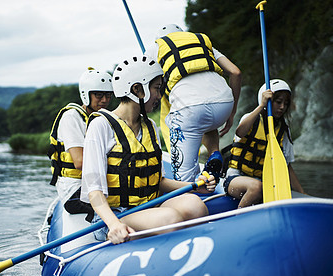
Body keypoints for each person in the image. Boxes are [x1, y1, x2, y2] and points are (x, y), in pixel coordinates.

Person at [81, 55, 216, 244]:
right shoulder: (101, 126)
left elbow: (157, 181)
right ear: (138, 89)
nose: (159, 97)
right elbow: (94, 192)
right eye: (156, 89)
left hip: (149, 205)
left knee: (195, 206)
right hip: (116, 215)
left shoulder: (150, 126)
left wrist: (195, 187)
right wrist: (113, 225)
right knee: (169, 219)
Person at [145, 24, 242, 183]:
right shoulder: (199, 42)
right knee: (206, 122)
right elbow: (236, 72)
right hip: (224, 104)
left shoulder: (156, 47)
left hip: (191, 109)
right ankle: (213, 154)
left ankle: (192, 194)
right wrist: (232, 113)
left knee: (183, 180)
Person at [224, 79, 305, 208]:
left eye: (286, 103)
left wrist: (302, 193)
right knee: (257, 187)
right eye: (278, 102)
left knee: (260, 186)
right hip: (235, 178)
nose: (282, 107)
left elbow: (287, 166)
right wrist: (261, 106)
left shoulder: (283, 130)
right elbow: (240, 132)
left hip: (264, 181)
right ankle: (238, 217)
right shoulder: (250, 118)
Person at [47, 67, 113, 221]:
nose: (104, 100)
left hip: (93, 184)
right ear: (86, 94)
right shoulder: (71, 117)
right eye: (99, 95)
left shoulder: (103, 119)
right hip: (74, 191)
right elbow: (80, 162)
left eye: (108, 95)